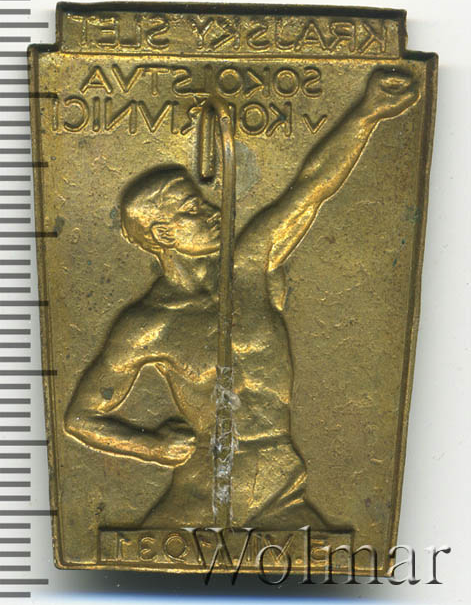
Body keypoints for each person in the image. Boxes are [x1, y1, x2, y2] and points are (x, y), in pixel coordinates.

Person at [65, 68, 419, 530]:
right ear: (163, 233)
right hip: (201, 494)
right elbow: (81, 418)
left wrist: (367, 113)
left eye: (203, 202)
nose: (212, 212)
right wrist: (152, 447)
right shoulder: (149, 324)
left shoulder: (250, 267)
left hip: (279, 486)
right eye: (192, 209)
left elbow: (311, 189)